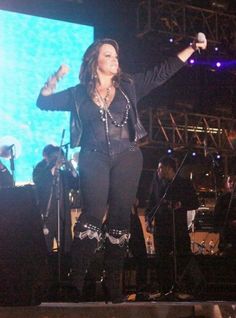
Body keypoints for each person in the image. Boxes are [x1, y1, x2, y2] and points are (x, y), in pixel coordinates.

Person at [36, 36, 207, 302]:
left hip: (127, 155)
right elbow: (43, 102)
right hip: (93, 156)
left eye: (116, 56)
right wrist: (56, 77)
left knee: (119, 219)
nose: (114, 59)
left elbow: (161, 73)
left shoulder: (129, 85)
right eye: (108, 55)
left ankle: (113, 287)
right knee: (92, 214)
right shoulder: (78, 93)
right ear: (95, 61)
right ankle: (75, 282)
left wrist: (191, 48)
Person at [145, 156, 200, 299]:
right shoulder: (157, 184)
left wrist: (181, 204)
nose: (158, 171)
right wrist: (148, 219)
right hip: (161, 228)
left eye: (160, 168)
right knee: (161, 258)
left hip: (178, 227)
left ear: (169, 168)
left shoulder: (183, 183)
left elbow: (195, 203)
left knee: (182, 256)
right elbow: (151, 202)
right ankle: (164, 289)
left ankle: (186, 287)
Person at [33, 144, 79, 254]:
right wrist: (54, 167)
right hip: (47, 216)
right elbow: (39, 181)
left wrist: (71, 167)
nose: (58, 159)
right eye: (55, 156)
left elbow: (76, 183)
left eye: (60, 157)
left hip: (63, 216)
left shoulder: (63, 173)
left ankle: (65, 269)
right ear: (47, 156)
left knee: (66, 248)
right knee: (45, 248)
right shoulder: (40, 168)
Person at [214, 174, 236, 256]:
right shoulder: (223, 198)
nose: (232, 184)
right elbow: (217, 218)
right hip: (226, 238)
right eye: (230, 181)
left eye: (235, 181)